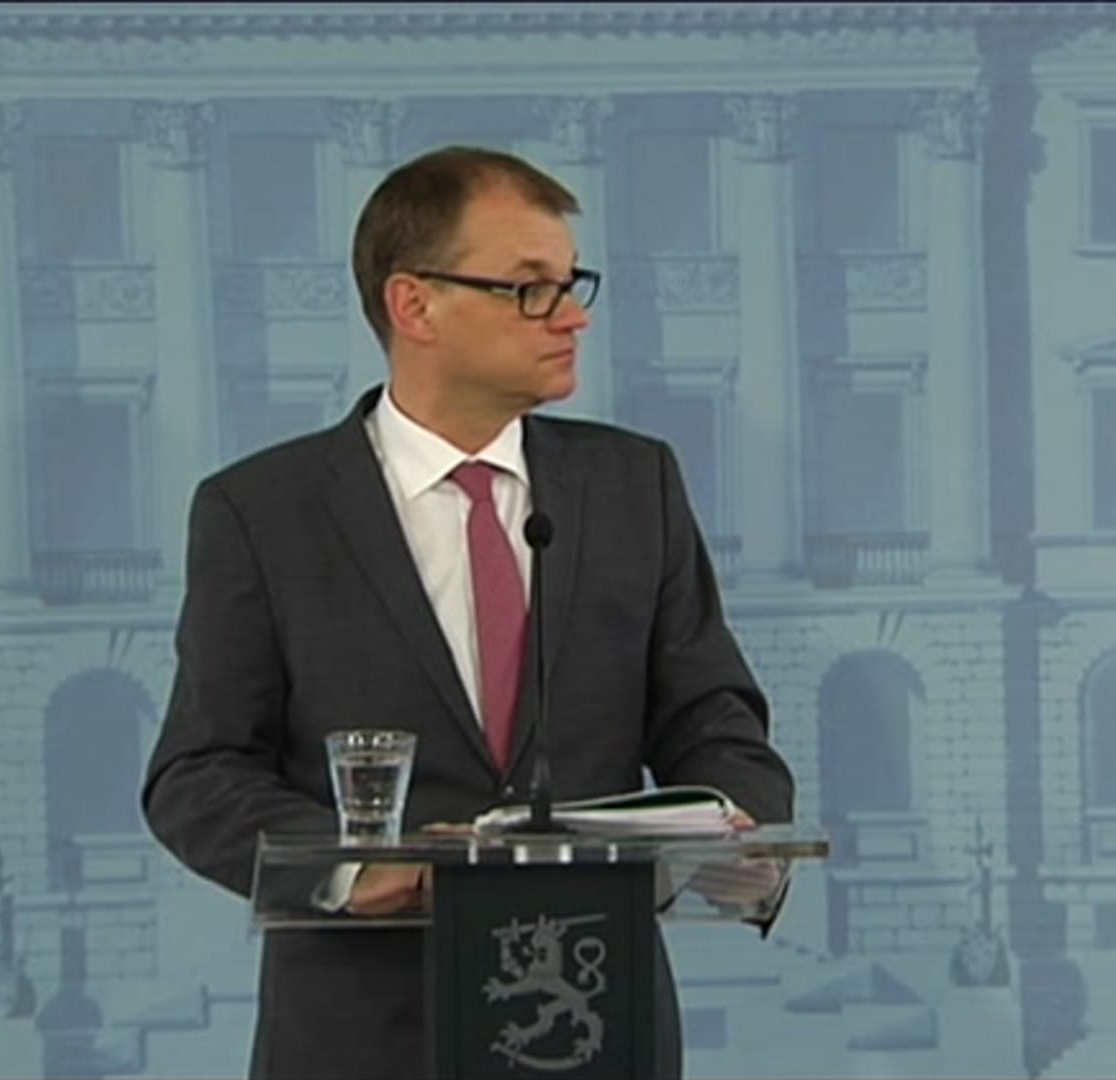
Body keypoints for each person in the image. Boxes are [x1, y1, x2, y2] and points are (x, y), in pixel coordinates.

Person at [142, 144, 795, 1080]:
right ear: (416, 305)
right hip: (363, 1037)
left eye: (572, 284)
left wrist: (736, 822)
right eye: (530, 288)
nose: (571, 315)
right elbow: (198, 773)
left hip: (595, 1018)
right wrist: (355, 868)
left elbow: (714, 718)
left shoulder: (633, 484)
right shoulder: (263, 512)